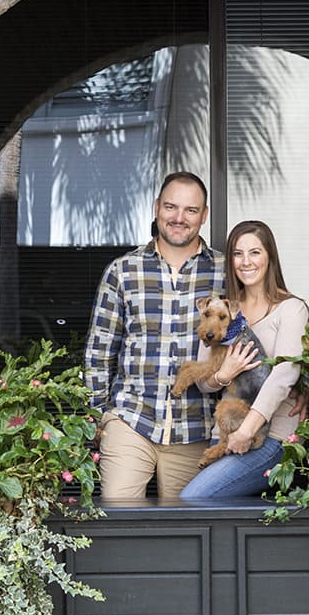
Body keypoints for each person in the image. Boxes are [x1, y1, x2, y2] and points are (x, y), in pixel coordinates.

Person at [83, 172, 224, 500]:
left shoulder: (224, 272)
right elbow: (100, 350)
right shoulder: (123, 271)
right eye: (171, 207)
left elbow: (255, 334)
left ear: (204, 216)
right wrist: (99, 415)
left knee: (189, 535)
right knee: (118, 518)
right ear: (156, 208)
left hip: (197, 428)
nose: (179, 218)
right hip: (132, 420)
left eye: (191, 210)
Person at [179, 220, 308, 499]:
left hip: (270, 438)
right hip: (229, 431)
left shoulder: (290, 309)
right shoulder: (222, 309)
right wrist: (224, 374)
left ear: (270, 256)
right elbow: (205, 383)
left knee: (194, 498)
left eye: (255, 252)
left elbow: (284, 375)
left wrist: (247, 431)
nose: (245, 261)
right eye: (238, 253)